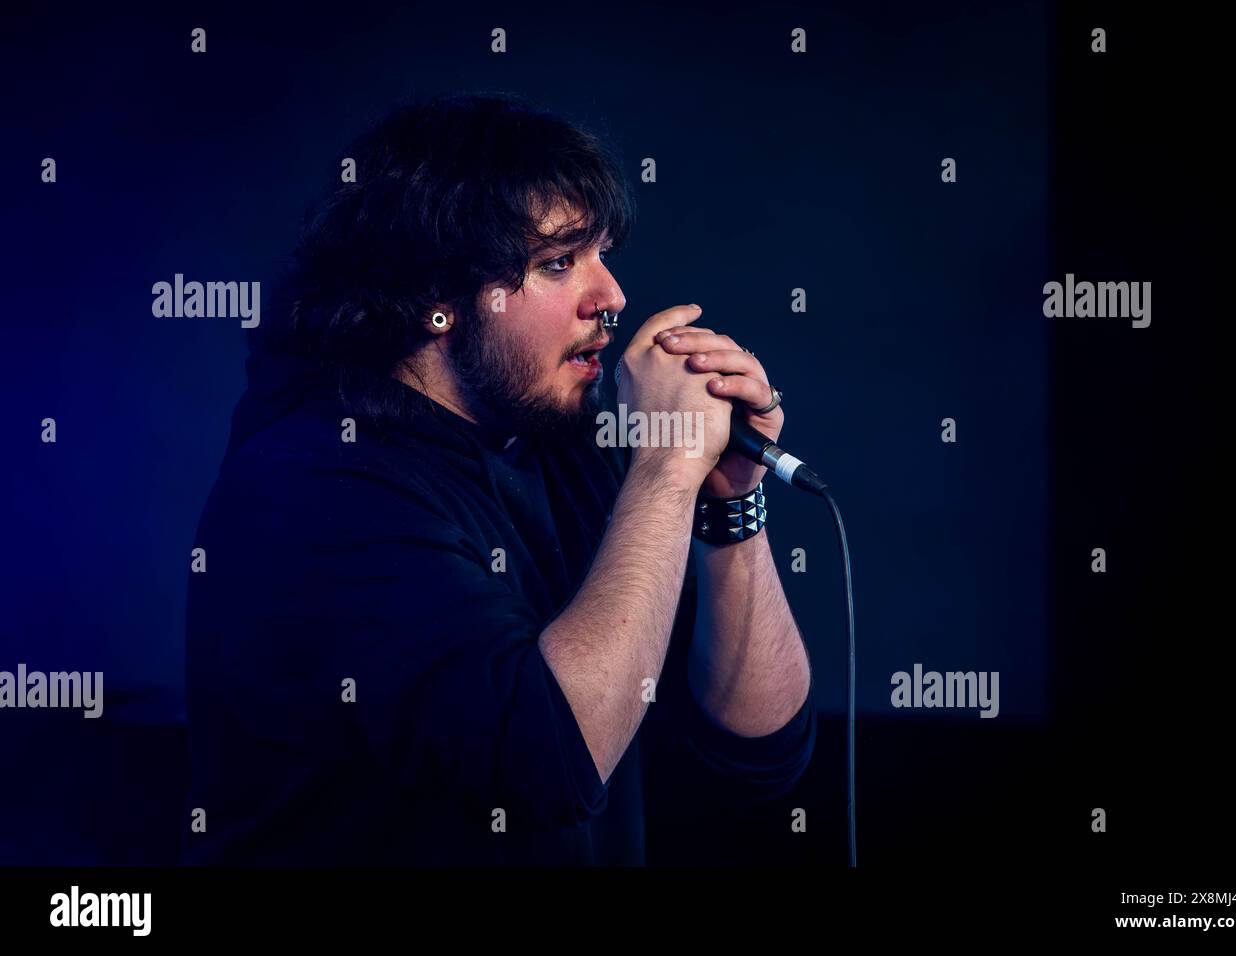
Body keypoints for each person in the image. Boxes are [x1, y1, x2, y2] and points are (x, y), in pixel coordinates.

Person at [182, 92, 815, 865]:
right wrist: (667, 469)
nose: (611, 296)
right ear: (436, 300)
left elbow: (756, 755)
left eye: (602, 253)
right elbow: (547, 768)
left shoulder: (566, 446)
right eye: (557, 262)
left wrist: (732, 503)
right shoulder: (316, 484)